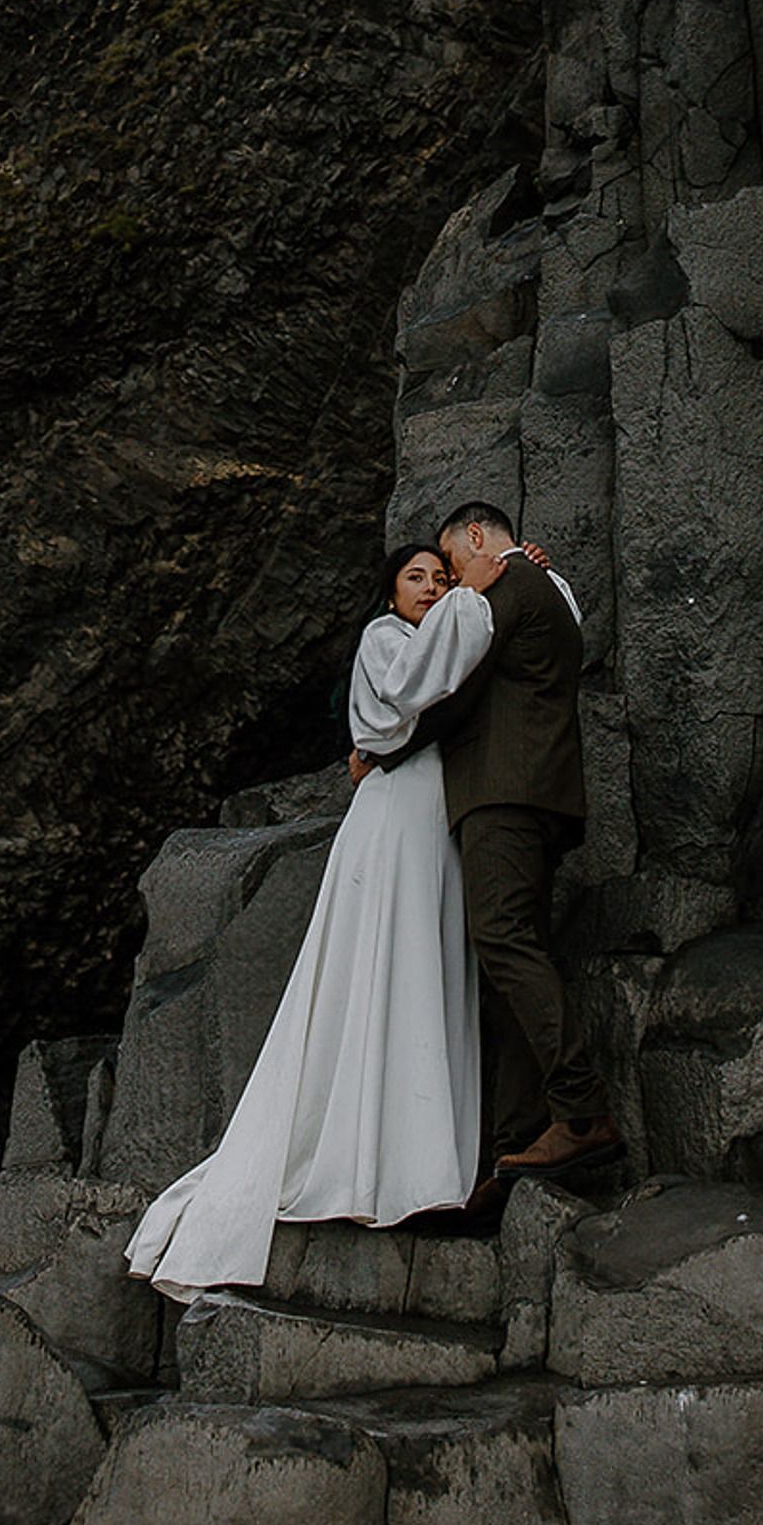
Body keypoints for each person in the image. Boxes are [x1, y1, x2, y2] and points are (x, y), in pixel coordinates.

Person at [123, 542, 490, 1302]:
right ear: (391, 594)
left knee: (422, 973)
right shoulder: (386, 638)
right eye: (415, 578)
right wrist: (475, 595)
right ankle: (376, 1165)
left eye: (440, 578)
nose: (431, 588)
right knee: (384, 970)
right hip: (393, 821)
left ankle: (417, 1164)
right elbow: (402, 720)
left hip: (432, 815)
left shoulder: (443, 638)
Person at [365, 497, 622, 1190]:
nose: (451, 580)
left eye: (450, 564)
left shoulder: (504, 584)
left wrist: (380, 749)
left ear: (475, 537)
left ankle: (581, 1108)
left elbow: (439, 690)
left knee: (503, 941)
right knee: (511, 957)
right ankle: (515, 1144)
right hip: (542, 793)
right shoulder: (553, 590)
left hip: (504, 794)